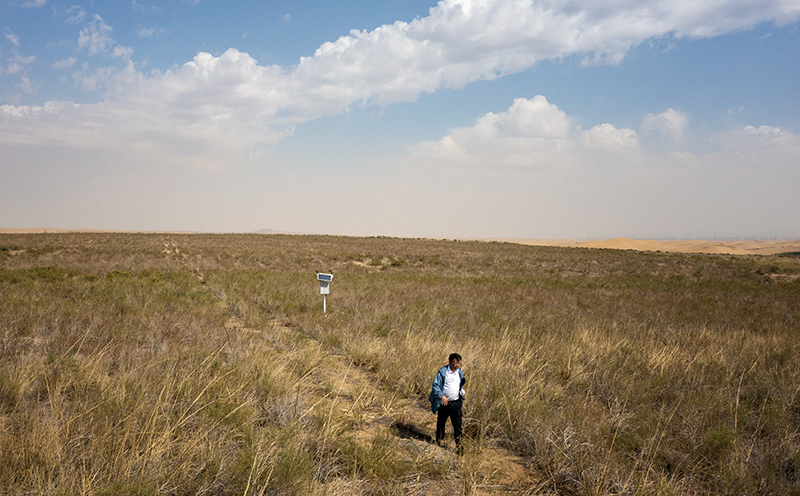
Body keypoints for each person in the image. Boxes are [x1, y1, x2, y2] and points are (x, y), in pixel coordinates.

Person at [429, 353, 465, 448]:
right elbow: (435, 385)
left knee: (458, 425)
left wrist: (462, 391)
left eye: (458, 363)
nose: (456, 365)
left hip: (456, 403)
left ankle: (459, 446)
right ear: (449, 362)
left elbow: (460, 385)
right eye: (454, 363)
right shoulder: (443, 372)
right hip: (444, 403)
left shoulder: (459, 372)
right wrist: (442, 396)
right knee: (441, 422)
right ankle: (438, 441)